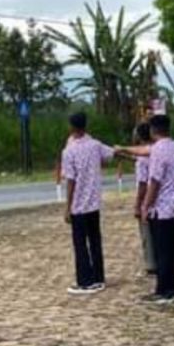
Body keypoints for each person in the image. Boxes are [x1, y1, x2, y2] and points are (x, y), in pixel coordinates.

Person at [60, 112, 114, 294]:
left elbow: (71, 180)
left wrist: (67, 207)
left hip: (78, 205)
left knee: (80, 244)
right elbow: (110, 155)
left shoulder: (69, 151)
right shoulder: (95, 145)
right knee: (95, 241)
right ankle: (99, 277)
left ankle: (85, 280)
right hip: (94, 203)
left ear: (71, 127)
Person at [140, 114, 174, 305]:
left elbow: (154, 181)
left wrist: (146, 205)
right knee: (173, 248)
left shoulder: (157, 150)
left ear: (152, 129)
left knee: (162, 250)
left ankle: (164, 289)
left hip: (161, 206)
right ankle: (173, 286)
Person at [131, 123, 157, 276]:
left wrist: (138, 204)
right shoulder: (156, 152)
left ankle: (151, 263)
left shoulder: (142, 157)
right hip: (158, 198)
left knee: (146, 233)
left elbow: (142, 183)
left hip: (146, 197)